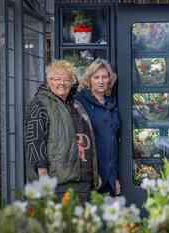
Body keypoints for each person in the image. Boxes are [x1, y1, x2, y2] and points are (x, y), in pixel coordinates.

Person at [25, 60, 100, 203]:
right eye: (57, 79)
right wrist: (43, 177)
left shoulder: (76, 105)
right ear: (49, 81)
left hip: (83, 181)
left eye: (66, 79)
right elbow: (34, 141)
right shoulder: (39, 104)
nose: (62, 83)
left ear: (72, 82)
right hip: (58, 184)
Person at [75, 59, 121, 196]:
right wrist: (93, 176)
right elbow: (79, 143)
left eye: (105, 77)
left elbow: (113, 142)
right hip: (91, 177)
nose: (101, 81)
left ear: (109, 80)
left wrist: (116, 178)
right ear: (89, 80)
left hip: (110, 177)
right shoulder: (80, 102)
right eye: (96, 77)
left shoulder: (111, 103)